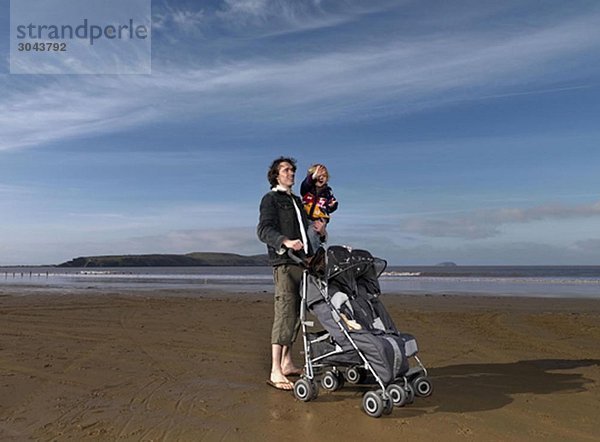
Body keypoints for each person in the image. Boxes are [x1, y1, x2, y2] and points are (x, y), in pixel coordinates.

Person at [257, 157, 326, 391]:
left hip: (304, 263)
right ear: (276, 175)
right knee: (285, 312)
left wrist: (320, 231)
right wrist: (285, 241)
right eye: (286, 170)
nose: (292, 173)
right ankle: (275, 370)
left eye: (293, 170)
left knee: (298, 314)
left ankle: (287, 363)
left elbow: (307, 232)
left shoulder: (297, 201)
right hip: (285, 263)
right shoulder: (270, 199)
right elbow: (264, 230)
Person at [300, 163, 338, 252]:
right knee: (303, 235)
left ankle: (314, 255)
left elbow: (331, 205)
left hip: (319, 219)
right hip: (305, 217)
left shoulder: (328, 191)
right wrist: (312, 177)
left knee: (312, 234)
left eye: (324, 176)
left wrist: (332, 205)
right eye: (318, 176)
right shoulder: (307, 189)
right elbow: (305, 184)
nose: (321, 178)